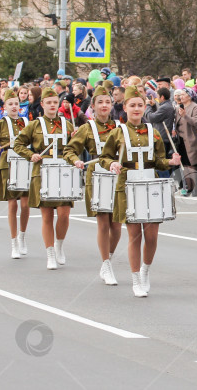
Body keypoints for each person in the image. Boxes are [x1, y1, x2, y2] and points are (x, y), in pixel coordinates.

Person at [101, 87, 182, 297]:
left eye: (140, 105)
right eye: (132, 105)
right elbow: (104, 157)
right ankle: (135, 278)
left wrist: (171, 162)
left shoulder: (153, 133)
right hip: (127, 185)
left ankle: (146, 271)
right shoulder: (117, 132)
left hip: (150, 184)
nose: (136, 109)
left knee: (152, 235)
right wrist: (112, 164)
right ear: (125, 108)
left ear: (145, 108)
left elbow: (159, 162)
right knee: (135, 235)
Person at [62, 85, 123, 283]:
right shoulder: (87, 128)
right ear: (93, 106)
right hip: (96, 176)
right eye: (100, 102)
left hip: (118, 177)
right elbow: (69, 150)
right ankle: (105, 264)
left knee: (117, 226)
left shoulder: (121, 127)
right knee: (103, 222)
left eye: (107, 101)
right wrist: (76, 160)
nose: (104, 105)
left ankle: (109, 258)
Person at [13, 88, 75, 271]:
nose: (52, 105)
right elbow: (18, 144)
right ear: (42, 105)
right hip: (42, 171)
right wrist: (30, 155)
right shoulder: (35, 125)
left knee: (64, 214)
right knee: (47, 215)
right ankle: (49, 254)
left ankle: (59, 245)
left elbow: (75, 146)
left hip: (63, 170)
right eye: (48, 102)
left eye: (55, 102)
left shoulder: (67, 124)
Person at [0, 89, 32, 259]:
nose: (14, 106)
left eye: (16, 103)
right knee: (12, 204)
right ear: (5, 107)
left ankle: (22, 236)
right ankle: (13, 241)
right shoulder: (1, 123)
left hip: (25, 163)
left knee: (25, 204)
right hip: (8, 163)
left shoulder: (27, 122)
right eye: (10, 104)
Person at [173, 88, 197, 195]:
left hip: (192, 140)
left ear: (189, 96)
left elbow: (196, 122)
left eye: (183, 95)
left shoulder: (195, 107)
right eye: (180, 95)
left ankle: (195, 187)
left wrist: (185, 115)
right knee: (185, 164)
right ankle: (188, 187)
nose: (180, 97)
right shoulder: (179, 108)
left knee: (193, 163)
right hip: (181, 140)